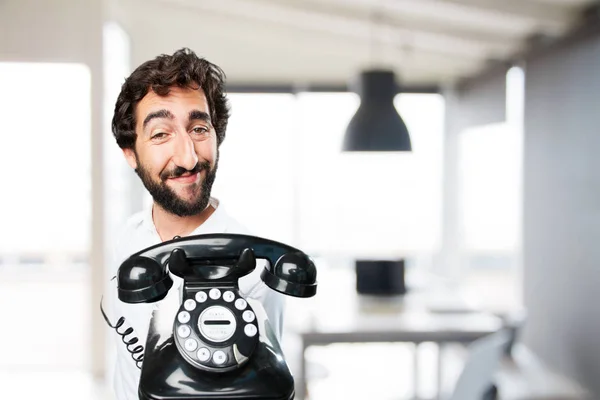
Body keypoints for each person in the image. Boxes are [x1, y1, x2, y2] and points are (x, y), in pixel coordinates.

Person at [102, 48, 285, 400]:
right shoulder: (129, 234)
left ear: (218, 137)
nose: (188, 158)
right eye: (160, 134)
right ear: (130, 154)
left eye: (199, 128)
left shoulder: (254, 266)